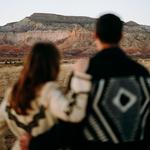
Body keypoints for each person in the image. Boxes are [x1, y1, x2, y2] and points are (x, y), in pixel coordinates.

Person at [25, 13, 150, 149]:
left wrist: (35, 143)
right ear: (121, 36)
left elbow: (71, 124)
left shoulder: (84, 72)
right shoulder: (142, 74)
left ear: (95, 35)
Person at [0, 42, 91, 150]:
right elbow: (75, 114)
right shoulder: (48, 92)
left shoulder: (12, 94)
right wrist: (80, 78)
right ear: (54, 65)